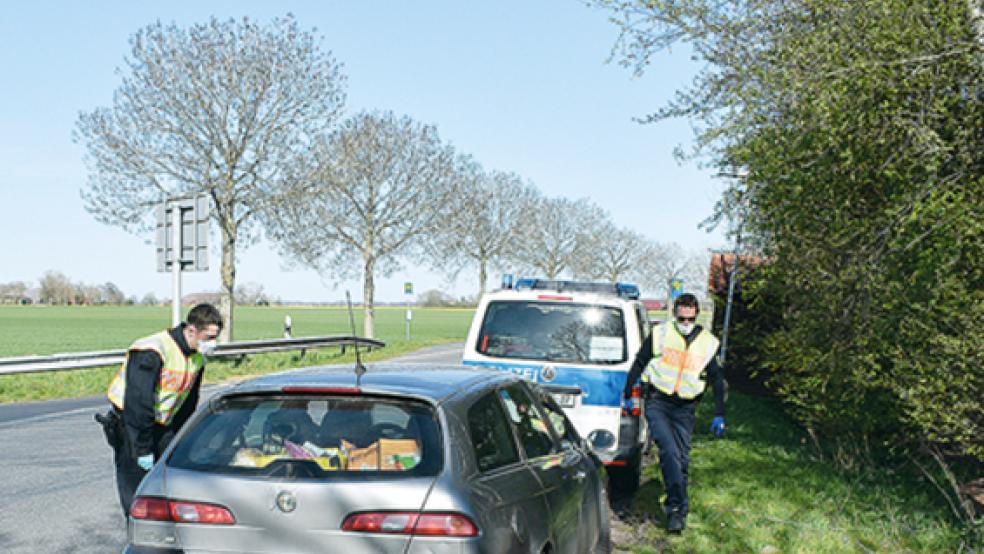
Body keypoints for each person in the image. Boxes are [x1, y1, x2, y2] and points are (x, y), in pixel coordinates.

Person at [98, 303, 223, 517]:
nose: (213, 343)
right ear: (192, 330)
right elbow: (138, 403)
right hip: (132, 428)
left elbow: (188, 402)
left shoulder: (196, 357)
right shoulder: (152, 350)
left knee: (166, 490)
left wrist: (183, 438)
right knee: (138, 494)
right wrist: (143, 448)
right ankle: (139, 539)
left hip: (164, 425)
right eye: (209, 337)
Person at [622, 293, 726, 533]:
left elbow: (718, 380)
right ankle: (677, 510)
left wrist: (719, 413)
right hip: (658, 401)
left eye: (690, 319)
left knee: (681, 458)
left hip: (686, 407)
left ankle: (676, 502)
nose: (685, 323)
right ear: (675, 314)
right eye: (682, 318)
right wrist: (628, 394)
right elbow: (639, 362)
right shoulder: (660, 334)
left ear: (697, 316)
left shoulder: (708, 343)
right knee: (668, 451)